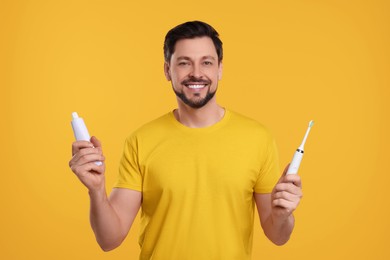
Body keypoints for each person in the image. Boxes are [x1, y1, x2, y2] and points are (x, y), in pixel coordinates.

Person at [69, 21, 303, 260]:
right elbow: (109, 240)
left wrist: (284, 214)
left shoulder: (258, 139)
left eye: (207, 62)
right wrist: (96, 191)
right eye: (184, 63)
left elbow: (277, 235)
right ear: (167, 70)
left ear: (220, 69)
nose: (196, 73)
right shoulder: (140, 141)